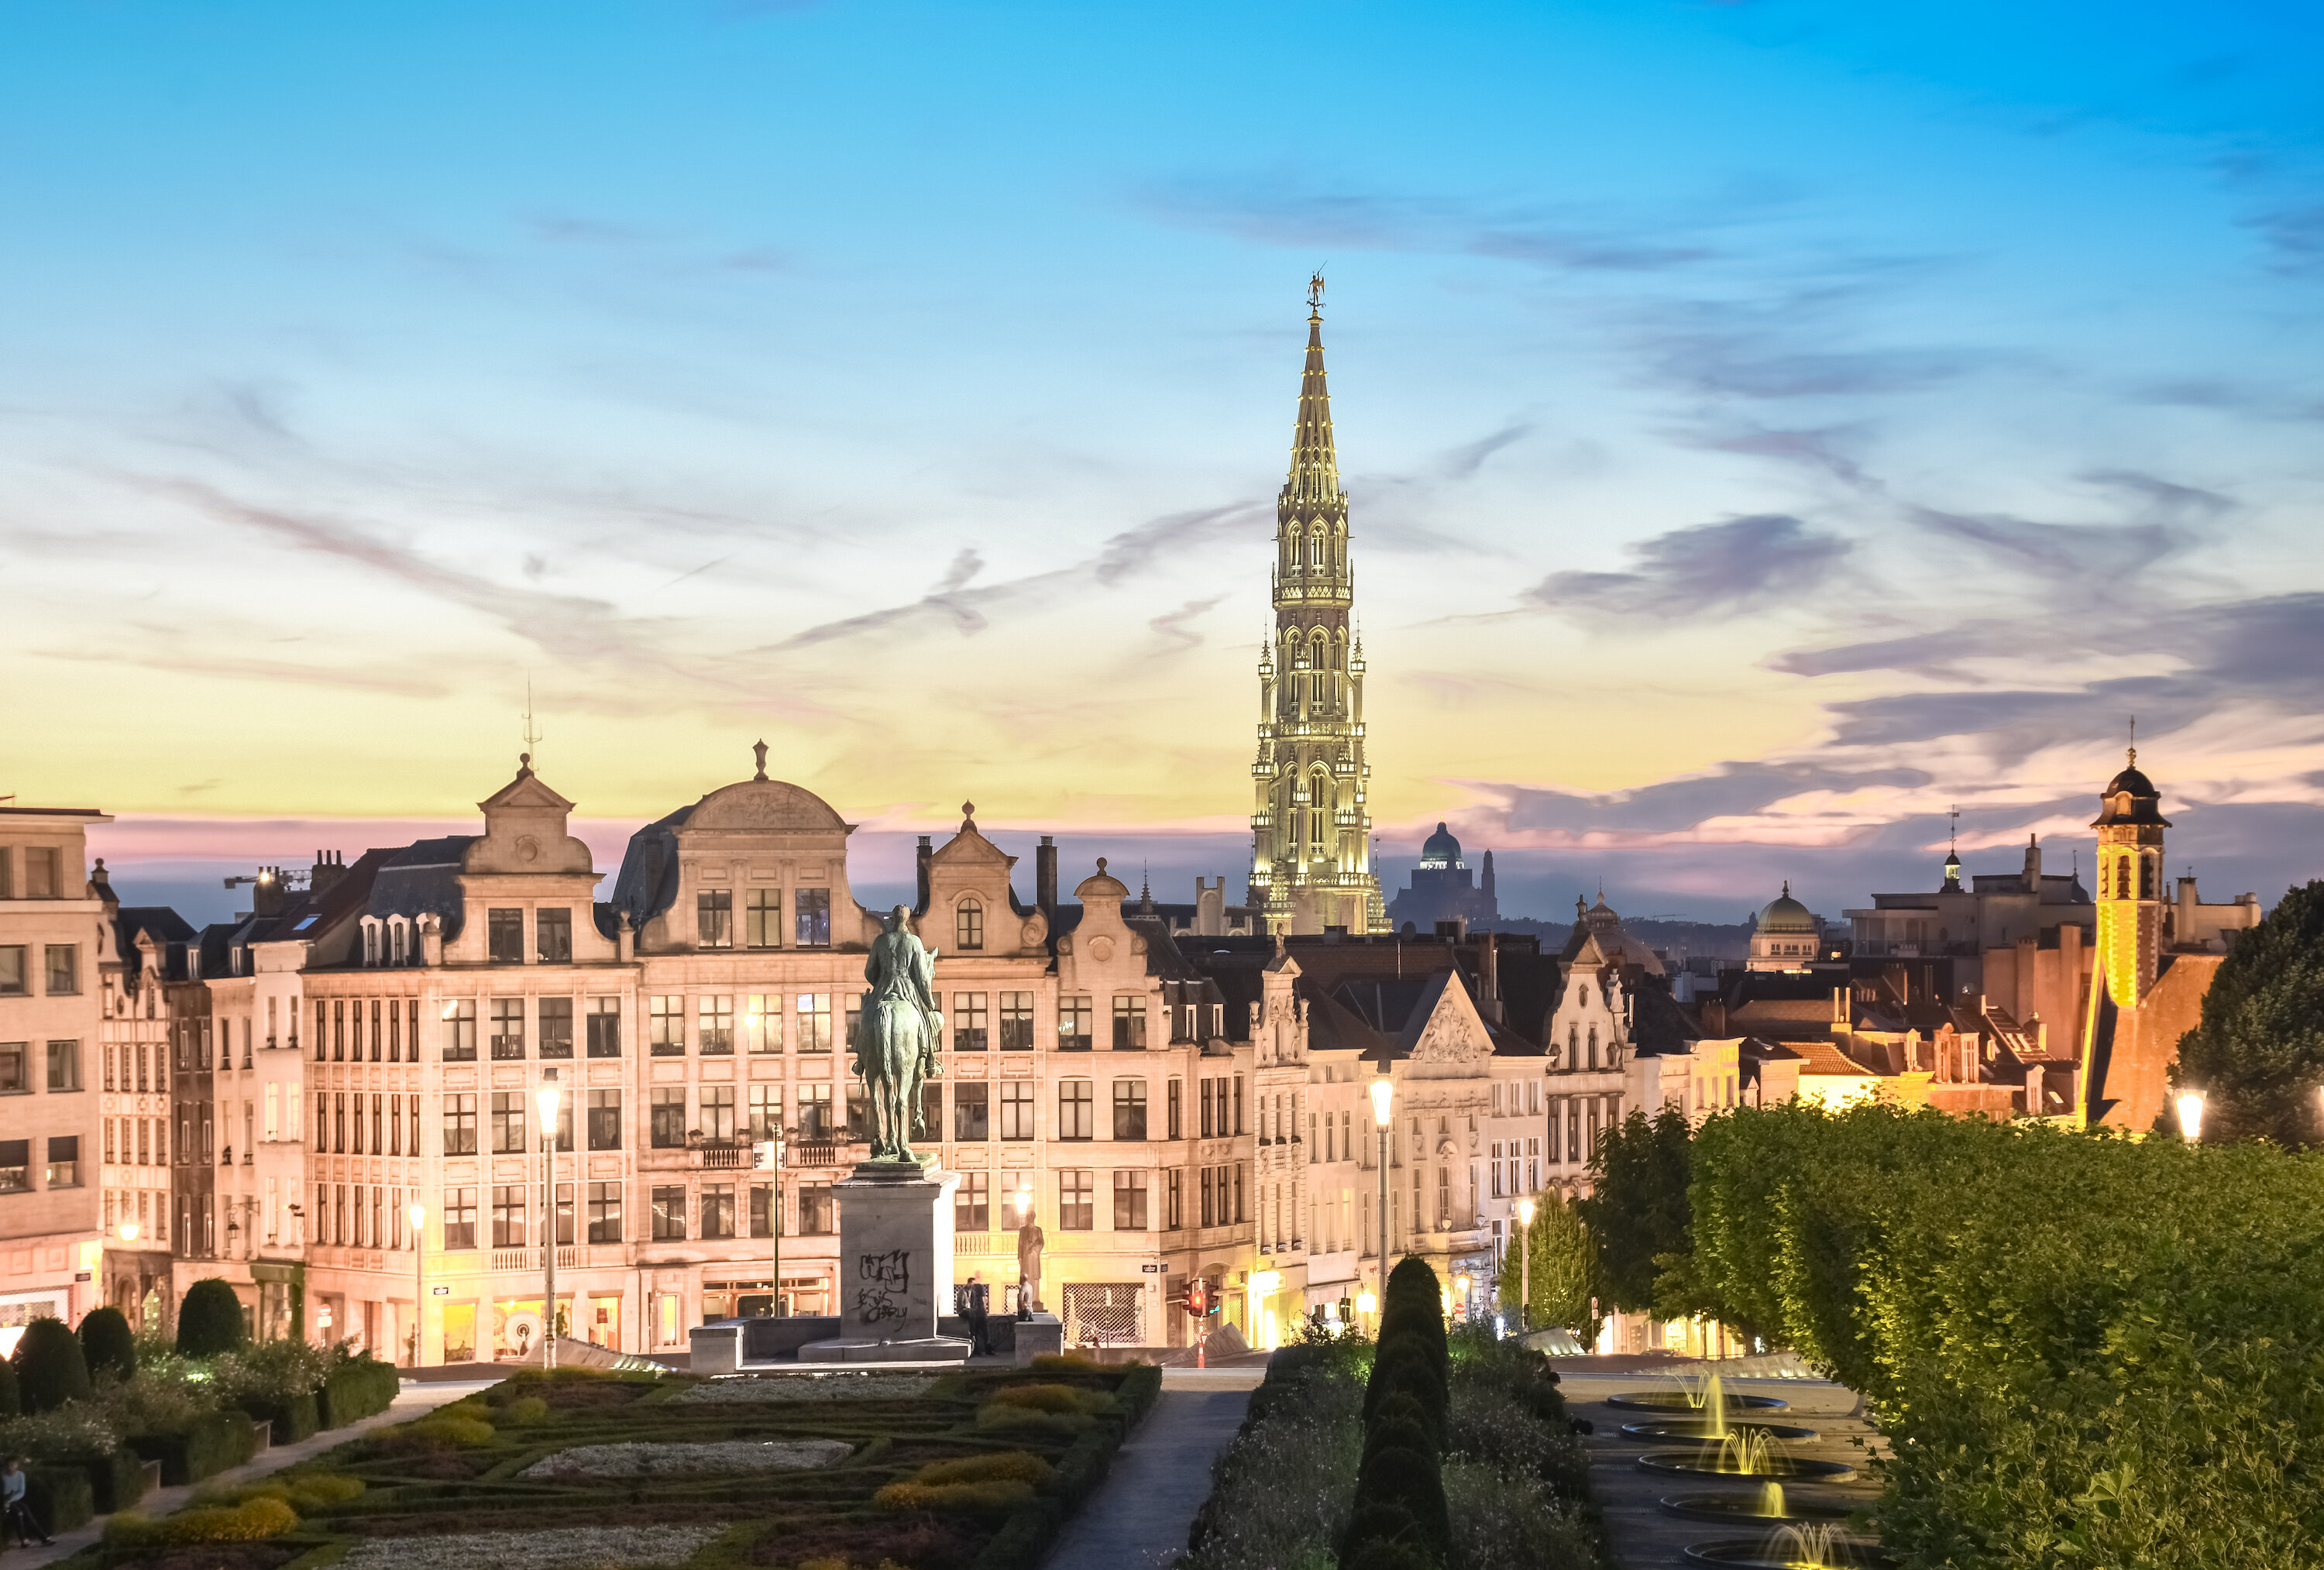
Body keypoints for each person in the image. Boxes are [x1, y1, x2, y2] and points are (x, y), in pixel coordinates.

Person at [2, 1455, 53, 1548]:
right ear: (5, 1466)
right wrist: (6, 1501)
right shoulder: (2, 1476)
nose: (11, 1468)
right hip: (4, 1501)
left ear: (17, 1465)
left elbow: (21, 1491)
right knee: (18, 1513)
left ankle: (43, 1538)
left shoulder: (21, 1475)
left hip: (14, 1499)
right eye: (9, 1465)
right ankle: (23, 1540)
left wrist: (11, 1499)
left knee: (27, 1513)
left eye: (13, 1465)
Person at [960, 1272, 992, 1357]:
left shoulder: (969, 1290)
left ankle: (977, 1350)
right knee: (985, 1332)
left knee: (976, 1332)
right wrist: (985, 1312)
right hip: (980, 1313)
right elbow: (984, 1300)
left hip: (974, 1314)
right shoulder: (979, 1287)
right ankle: (987, 1350)